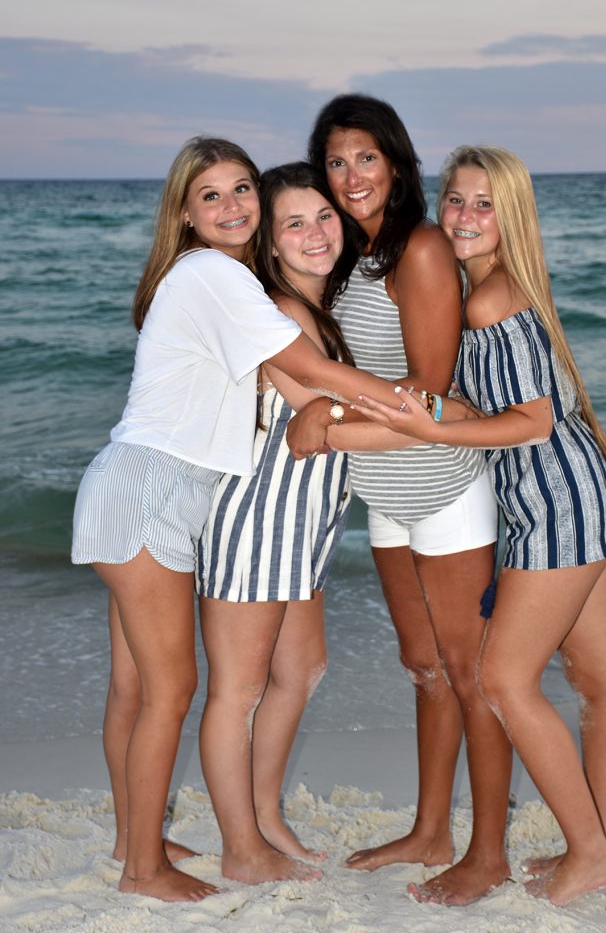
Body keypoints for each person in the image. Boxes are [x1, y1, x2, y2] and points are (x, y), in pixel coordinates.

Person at [71, 136, 411, 903]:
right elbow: (313, 380)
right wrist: (424, 410)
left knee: (134, 688)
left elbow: (305, 386)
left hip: (143, 485)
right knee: (169, 690)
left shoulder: (219, 283)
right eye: (210, 196)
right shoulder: (213, 275)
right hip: (153, 489)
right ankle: (144, 871)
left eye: (239, 191)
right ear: (186, 217)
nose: (230, 207)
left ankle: (136, 836)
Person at [353, 144, 606, 907]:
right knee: (596, 684)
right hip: (587, 486)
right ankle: (600, 845)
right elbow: (496, 408)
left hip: (554, 501)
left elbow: (532, 422)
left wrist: (434, 434)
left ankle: (591, 855)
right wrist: (431, 410)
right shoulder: (498, 288)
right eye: (454, 201)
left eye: (482, 204)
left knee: (504, 679)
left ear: (510, 216)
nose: (463, 217)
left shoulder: (488, 298)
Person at [286, 95, 512, 903]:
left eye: (365, 158)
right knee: (421, 668)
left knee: (469, 672)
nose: (351, 176)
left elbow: (430, 391)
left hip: (444, 487)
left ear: (397, 164)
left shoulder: (417, 249)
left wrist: (328, 417)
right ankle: (430, 830)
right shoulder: (350, 252)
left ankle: (486, 853)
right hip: (381, 492)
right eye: (336, 160)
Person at [195, 162, 355, 883]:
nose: (315, 232)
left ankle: (262, 816)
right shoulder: (281, 313)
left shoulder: (322, 309)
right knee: (239, 689)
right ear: (271, 239)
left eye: (323, 215)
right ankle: (240, 849)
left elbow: (331, 407)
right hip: (258, 517)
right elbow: (311, 422)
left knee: (301, 670)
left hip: (307, 523)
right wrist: (435, 420)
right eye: (293, 222)